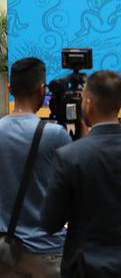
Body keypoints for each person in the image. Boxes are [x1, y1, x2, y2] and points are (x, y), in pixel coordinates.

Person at [41, 71, 121, 278]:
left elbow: (50, 222)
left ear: (88, 104)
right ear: (120, 103)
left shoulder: (69, 156)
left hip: (86, 268)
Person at [0, 58, 71, 278]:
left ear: (10, 89)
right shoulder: (55, 135)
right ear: (42, 89)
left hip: (5, 250)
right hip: (46, 250)